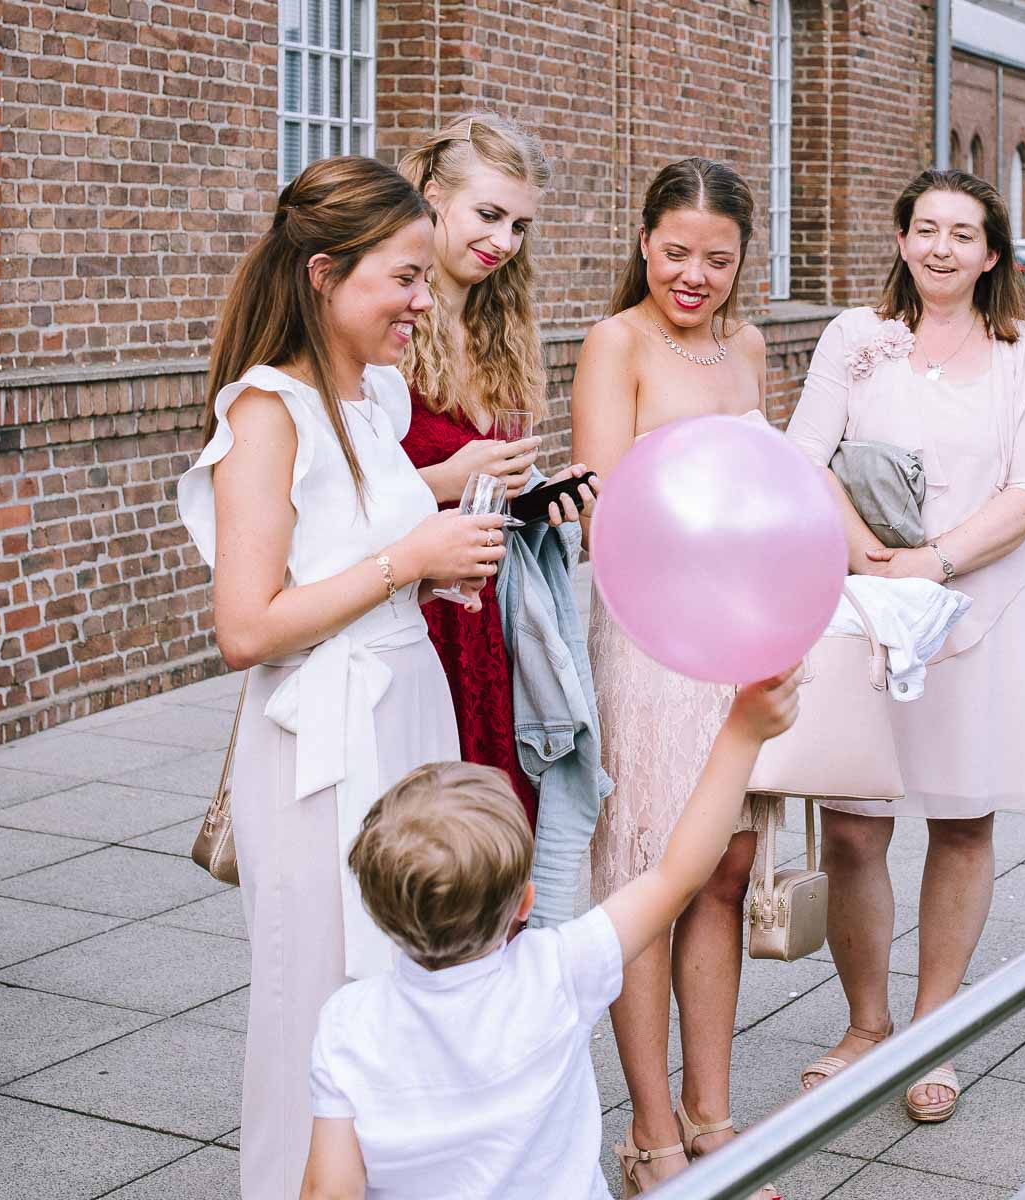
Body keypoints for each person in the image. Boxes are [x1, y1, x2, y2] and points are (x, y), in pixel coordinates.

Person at [175, 155, 507, 1199]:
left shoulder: (377, 399)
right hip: (321, 745)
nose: (424, 299)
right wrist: (407, 563)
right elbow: (245, 627)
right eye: (403, 278)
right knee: (318, 1004)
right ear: (325, 273)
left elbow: (363, 547)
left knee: (415, 988)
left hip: (408, 711)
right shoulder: (266, 414)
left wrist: (433, 564)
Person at [295, 668, 802, 1200]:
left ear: (378, 913)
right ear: (525, 903)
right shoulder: (559, 971)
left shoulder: (347, 1025)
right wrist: (740, 735)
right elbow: (677, 875)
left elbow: (326, 1192)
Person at [783, 168, 1025, 1122]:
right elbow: (805, 452)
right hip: (867, 612)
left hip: (976, 613)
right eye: (926, 228)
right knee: (856, 826)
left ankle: (934, 1031)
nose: (943, 247)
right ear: (902, 240)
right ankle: (866, 1025)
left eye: (964, 233)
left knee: (962, 819)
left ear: (991, 254)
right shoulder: (857, 341)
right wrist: (867, 555)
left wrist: (935, 562)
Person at [569, 157, 776, 1195]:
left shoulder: (746, 346)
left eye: (719, 259)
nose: (694, 275)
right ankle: (650, 1134)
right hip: (652, 643)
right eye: (677, 252)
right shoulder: (617, 344)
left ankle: (713, 1114)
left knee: (726, 872)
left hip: (739, 637)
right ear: (644, 242)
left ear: (744, 263)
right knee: (650, 875)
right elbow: (608, 512)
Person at [397, 112, 598, 838]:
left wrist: (537, 497)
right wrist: (451, 476)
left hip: (486, 614)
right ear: (430, 194)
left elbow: (484, 485)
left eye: (519, 225)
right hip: (410, 610)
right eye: (488, 214)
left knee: (493, 834)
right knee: (422, 836)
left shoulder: (501, 324)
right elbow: (335, 491)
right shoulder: (384, 320)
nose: (504, 242)